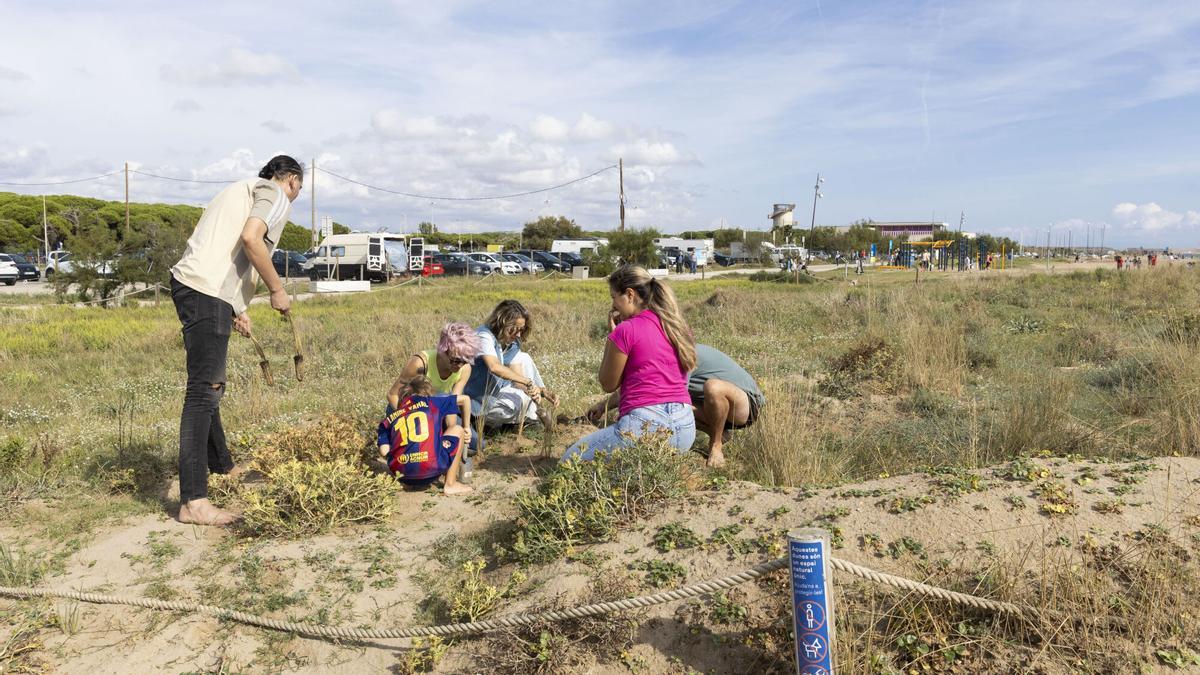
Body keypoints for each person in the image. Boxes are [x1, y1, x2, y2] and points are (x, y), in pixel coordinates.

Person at [169, 155, 303, 525]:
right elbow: (250, 238)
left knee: (209, 387)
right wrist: (277, 289)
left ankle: (222, 466)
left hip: (200, 289)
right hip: (205, 292)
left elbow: (221, 248)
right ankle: (193, 502)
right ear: (291, 180)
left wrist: (233, 307)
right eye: (298, 190)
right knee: (203, 391)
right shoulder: (274, 193)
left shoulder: (240, 190)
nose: (294, 198)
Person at [563, 265, 697, 462]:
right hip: (685, 428)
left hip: (644, 425)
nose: (613, 305)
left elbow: (607, 383)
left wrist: (613, 336)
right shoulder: (677, 326)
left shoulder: (626, 330)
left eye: (614, 297)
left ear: (630, 294)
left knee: (569, 461)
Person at [587, 344, 765, 468]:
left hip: (745, 405)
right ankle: (718, 432)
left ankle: (716, 446)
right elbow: (642, 385)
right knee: (673, 404)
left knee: (712, 388)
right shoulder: (659, 358)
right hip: (714, 406)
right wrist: (603, 406)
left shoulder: (679, 355)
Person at [463, 300, 558, 438]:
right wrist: (528, 383)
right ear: (501, 323)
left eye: (522, 329)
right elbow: (494, 366)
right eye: (515, 329)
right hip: (476, 398)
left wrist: (539, 391)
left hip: (494, 390)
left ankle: (526, 418)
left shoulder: (510, 342)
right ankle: (484, 423)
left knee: (524, 358)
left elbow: (517, 377)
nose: (519, 334)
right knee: (522, 402)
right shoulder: (484, 336)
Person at [378, 377, 472, 496]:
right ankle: (450, 484)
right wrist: (466, 427)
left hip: (402, 476)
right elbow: (465, 400)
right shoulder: (432, 402)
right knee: (457, 430)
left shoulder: (388, 420)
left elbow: (384, 451)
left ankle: (408, 473)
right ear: (426, 393)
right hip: (432, 470)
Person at [387, 322, 479, 408]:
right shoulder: (419, 364)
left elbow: (452, 403)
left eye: (465, 360)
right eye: (455, 360)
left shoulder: (465, 369)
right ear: (442, 351)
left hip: (434, 408)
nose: (460, 365)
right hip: (406, 408)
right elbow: (392, 395)